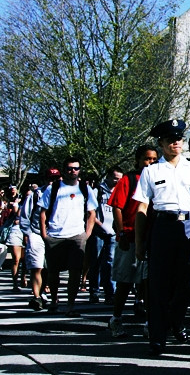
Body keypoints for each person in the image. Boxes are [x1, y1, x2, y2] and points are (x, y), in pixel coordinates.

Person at [133, 119, 190, 355]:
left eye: (179, 139)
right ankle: (158, 336)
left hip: (188, 226)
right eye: (170, 140)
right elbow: (142, 208)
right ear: (162, 143)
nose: (176, 143)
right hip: (162, 226)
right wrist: (139, 243)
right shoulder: (152, 171)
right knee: (158, 285)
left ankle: (175, 319)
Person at [107, 144, 159, 337]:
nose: (150, 162)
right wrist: (120, 233)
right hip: (129, 237)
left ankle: (148, 321)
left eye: (154, 159)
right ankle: (116, 318)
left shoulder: (158, 178)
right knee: (125, 280)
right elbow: (117, 206)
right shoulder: (129, 179)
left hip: (150, 237)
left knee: (147, 282)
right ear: (138, 160)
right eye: (147, 159)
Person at [39, 157, 98, 316]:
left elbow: (92, 213)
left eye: (76, 168)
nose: (73, 171)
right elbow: (43, 212)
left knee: (75, 271)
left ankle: (70, 305)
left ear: (80, 170)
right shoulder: (54, 188)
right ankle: (54, 300)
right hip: (55, 234)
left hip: (76, 235)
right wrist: (44, 234)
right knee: (53, 271)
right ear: (64, 170)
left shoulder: (85, 189)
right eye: (69, 168)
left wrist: (87, 234)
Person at [86, 167, 122, 304]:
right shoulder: (97, 191)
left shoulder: (120, 191)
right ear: (107, 177)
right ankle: (94, 291)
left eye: (119, 179)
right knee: (95, 262)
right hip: (99, 232)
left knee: (110, 262)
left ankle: (110, 293)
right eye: (115, 178)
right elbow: (91, 212)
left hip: (113, 232)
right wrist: (100, 226)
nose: (117, 181)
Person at [22, 173, 57, 311]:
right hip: (36, 233)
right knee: (37, 266)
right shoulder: (36, 194)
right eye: (49, 178)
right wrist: (27, 233)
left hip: (53, 235)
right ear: (44, 179)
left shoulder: (61, 193)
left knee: (49, 268)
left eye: (54, 179)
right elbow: (25, 214)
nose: (51, 181)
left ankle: (43, 293)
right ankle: (36, 297)